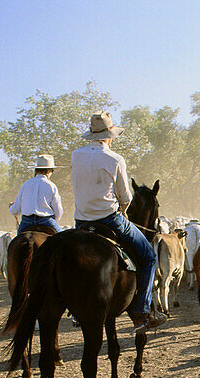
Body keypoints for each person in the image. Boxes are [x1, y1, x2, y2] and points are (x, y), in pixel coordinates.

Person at [71, 112, 166, 332]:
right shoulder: (115, 159)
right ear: (109, 136)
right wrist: (122, 211)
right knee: (148, 256)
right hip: (109, 219)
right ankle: (141, 312)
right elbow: (125, 198)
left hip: (81, 221)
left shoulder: (76, 155)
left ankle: (75, 311)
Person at [10, 154, 64, 234]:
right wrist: (55, 219)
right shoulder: (51, 186)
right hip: (46, 221)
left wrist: (11, 207)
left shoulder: (26, 184)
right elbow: (58, 212)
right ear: (49, 171)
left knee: (15, 242)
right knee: (63, 241)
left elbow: (15, 210)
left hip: (26, 222)